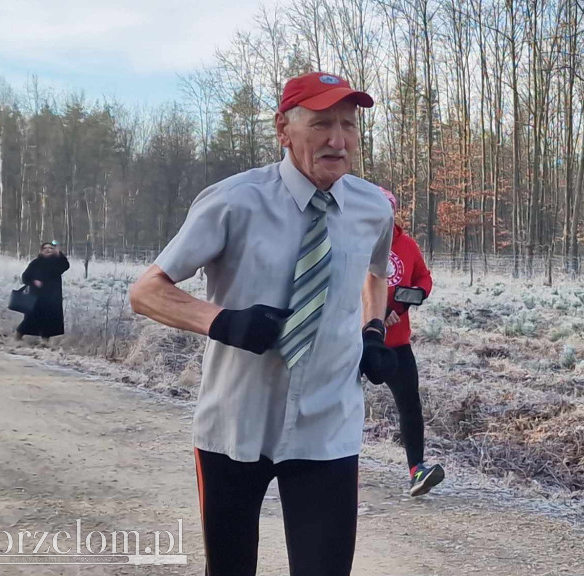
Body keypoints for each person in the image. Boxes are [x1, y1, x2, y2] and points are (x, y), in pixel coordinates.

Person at [129, 71, 397, 576]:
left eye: (348, 125)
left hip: (328, 424)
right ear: (283, 129)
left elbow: (376, 273)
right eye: (321, 124)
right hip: (236, 421)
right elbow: (146, 292)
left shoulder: (372, 207)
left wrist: (373, 331)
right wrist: (223, 321)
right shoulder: (233, 201)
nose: (338, 140)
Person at [378, 187, 444, 496]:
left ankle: (417, 470)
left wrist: (407, 303)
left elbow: (423, 278)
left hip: (398, 341)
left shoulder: (407, 245)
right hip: (356, 341)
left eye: (387, 214)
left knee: (410, 405)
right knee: (340, 403)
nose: (383, 220)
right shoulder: (355, 243)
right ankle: (331, 465)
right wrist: (374, 315)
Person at [15, 241, 69, 345]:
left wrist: (60, 254)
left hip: (52, 297)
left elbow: (66, 266)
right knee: (31, 318)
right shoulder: (36, 263)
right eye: (45, 248)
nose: (48, 250)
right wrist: (34, 281)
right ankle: (18, 336)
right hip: (37, 296)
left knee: (49, 319)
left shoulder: (57, 262)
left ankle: (45, 342)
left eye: (51, 248)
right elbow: (25, 277)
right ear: (41, 251)